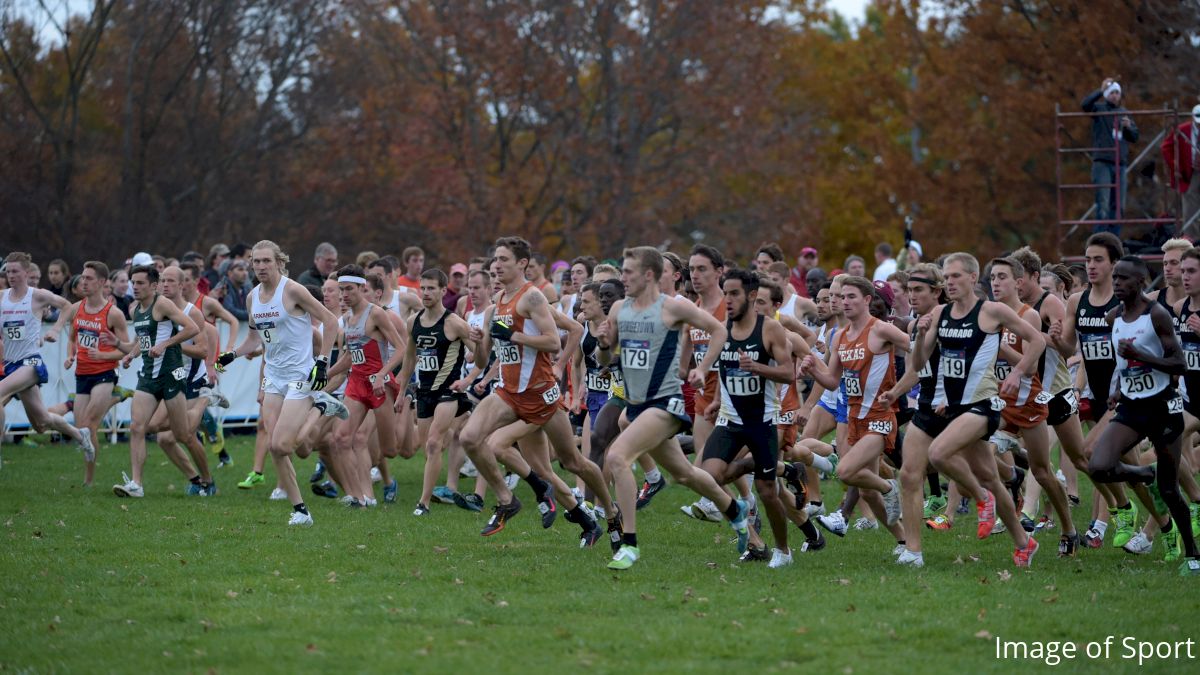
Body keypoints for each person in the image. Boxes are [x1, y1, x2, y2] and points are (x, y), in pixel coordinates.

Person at [598, 246, 750, 570]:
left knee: (617, 457)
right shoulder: (618, 311)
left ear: (648, 275)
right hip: (636, 403)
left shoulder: (672, 307)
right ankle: (734, 509)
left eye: (628, 272)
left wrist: (704, 367)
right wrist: (601, 344)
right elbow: (603, 359)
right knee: (684, 473)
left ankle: (629, 544)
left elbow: (719, 330)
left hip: (666, 403)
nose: (622, 277)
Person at [458, 237, 616, 542]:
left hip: (540, 394)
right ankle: (508, 500)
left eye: (504, 259)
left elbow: (552, 341)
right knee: (470, 438)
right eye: (495, 261)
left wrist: (518, 338)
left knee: (572, 462)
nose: (497, 266)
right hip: (507, 392)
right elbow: (481, 359)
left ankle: (609, 512)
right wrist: (476, 342)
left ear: (522, 264)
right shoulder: (495, 308)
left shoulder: (533, 298)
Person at [905, 252, 1042, 567]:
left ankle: (983, 501)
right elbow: (919, 363)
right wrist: (924, 333)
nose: (949, 282)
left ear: (971, 278)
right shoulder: (940, 313)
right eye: (946, 276)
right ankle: (1024, 542)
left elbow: (1036, 341)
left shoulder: (991, 311)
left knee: (939, 454)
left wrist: (1019, 372)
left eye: (955, 276)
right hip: (953, 407)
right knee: (990, 476)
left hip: (983, 404)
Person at [216, 241, 346, 525]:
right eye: (256, 261)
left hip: (300, 375)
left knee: (280, 445)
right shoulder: (252, 298)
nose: (260, 266)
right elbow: (253, 339)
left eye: (266, 261)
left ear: (278, 262)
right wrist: (231, 355)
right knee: (289, 448)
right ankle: (301, 511)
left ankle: (320, 407)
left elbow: (331, 322)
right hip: (274, 377)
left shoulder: (293, 290)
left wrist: (322, 362)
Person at [1089, 256, 1200, 575]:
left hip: (1164, 408)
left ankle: (1193, 554)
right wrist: (1118, 389)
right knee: (1098, 466)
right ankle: (1144, 475)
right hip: (1132, 407)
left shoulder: (1158, 316)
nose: (1118, 283)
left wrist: (1142, 355)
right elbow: (1124, 366)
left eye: (1124, 279)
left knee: (1169, 491)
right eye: (1116, 278)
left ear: (1140, 283)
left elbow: (1179, 364)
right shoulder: (1114, 317)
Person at [700, 268, 799, 568]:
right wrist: (716, 399)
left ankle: (782, 550)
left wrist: (758, 367)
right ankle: (749, 526)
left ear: (752, 296)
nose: (727, 300)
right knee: (708, 477)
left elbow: (788, 373)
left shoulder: (769, 329)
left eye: (734, 294)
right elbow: (722, 369)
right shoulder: (720, 329)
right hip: (730, 420)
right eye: (725, 293)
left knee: (767, 491)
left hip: (762, 421)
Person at [800, 276, 908, 544]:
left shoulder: (881, 330)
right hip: (853, 418)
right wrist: (814, 368)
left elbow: (917, 352)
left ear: (867, 300)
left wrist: (900, 389)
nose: (844, 302)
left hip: (880, 418)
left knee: (846, 472)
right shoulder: (839, 337)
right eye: (842, 297)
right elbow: (832, 381)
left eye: (851, 297)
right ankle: (904, 543)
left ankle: (889, 487)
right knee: (867, 491)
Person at [105, 265, 203, 497]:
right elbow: (143, 339)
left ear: (153, 285)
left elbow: (192, 328)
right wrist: (130, 354)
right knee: (137, 427)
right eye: (133, 283)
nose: (135, 287)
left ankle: (202, 404)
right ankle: (137, 484)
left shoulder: (162, 304)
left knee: (181, 435)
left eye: (140, 283)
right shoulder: (134, 309)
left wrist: (166, 344)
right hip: (148, 377)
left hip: (171, 374)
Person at [0, 253, 95, 470]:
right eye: (8, 271)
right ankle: (81, 435)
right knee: (42, 422)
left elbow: (68, 307)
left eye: (15, 271)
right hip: (11, 364)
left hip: (31, 363)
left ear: (26, 273)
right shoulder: (2, 297)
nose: (11, 275)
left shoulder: (38, 296)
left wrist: (56, 328)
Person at [397, 269, 474, 515]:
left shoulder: (454, 323)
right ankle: (453, 431)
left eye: (432, 288)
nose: (426, 293)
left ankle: (424, 503)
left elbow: (479, 356)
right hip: (424, 392)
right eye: (423, 288)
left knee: (432, 443)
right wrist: (401, 392)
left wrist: (470, 375)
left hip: (448, 390)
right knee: (427, 448)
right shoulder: (413, 322)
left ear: (443, 290)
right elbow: (409, 359)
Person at [64, 261, 127, 486]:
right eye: (83, 277)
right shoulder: (77, 309)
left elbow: (126, 350)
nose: (83, 282)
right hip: (82, 373)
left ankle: (88, 481)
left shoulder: (114, 314)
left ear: (101, 283)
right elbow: (72, 338)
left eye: (89, 278)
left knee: (90, 424)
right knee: (82, 428)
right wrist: (70, 356)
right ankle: (116, 398)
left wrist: (103, 356)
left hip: (105, 373)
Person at [1082, 78, 1139, 231]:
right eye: (1111, 92)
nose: (1115, 96)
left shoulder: (1124, 113)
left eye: (1117, 93)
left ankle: (1114, 241)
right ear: (1106, 94)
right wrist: (1100, 90)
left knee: (1119, 206)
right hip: (1103, 163)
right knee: (1103, 204)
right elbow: (1085, 105)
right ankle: (1100, 241)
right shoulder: (1099, 109)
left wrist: (1128, 127)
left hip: (1120, 164)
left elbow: (1134, 137)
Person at [1162, 104, 1200, 232]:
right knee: (1190, 203)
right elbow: (1166, 147)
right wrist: (1175, 164)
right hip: (1190, 171)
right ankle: (1192, 238)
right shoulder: (1182, 130)